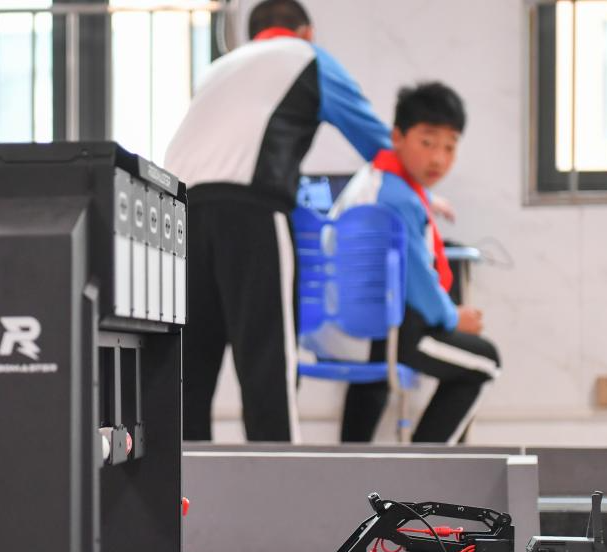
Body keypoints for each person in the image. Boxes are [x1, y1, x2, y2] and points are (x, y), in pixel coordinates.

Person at [164, 0, 394, 442]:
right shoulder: (308, 57)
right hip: (249, 211)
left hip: (176, 216)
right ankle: (277, 498)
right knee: (267, 368)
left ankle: (182, 499)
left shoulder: (217, 70)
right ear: (305, 31)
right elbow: (381, 146)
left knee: (188, 374)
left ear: (252, 36)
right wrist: (423, 196)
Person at [305, 82, 500, 444]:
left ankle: (350, 468)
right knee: (485, 361)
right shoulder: (398, 197)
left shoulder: (376, 178)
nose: (438, 158)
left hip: (333, 324)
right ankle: (422, 471)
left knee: (376, 382)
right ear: (397, 137)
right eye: (427, 142)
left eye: (449, 146)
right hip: (372, 330)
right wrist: (455, 317)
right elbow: (418, 284)